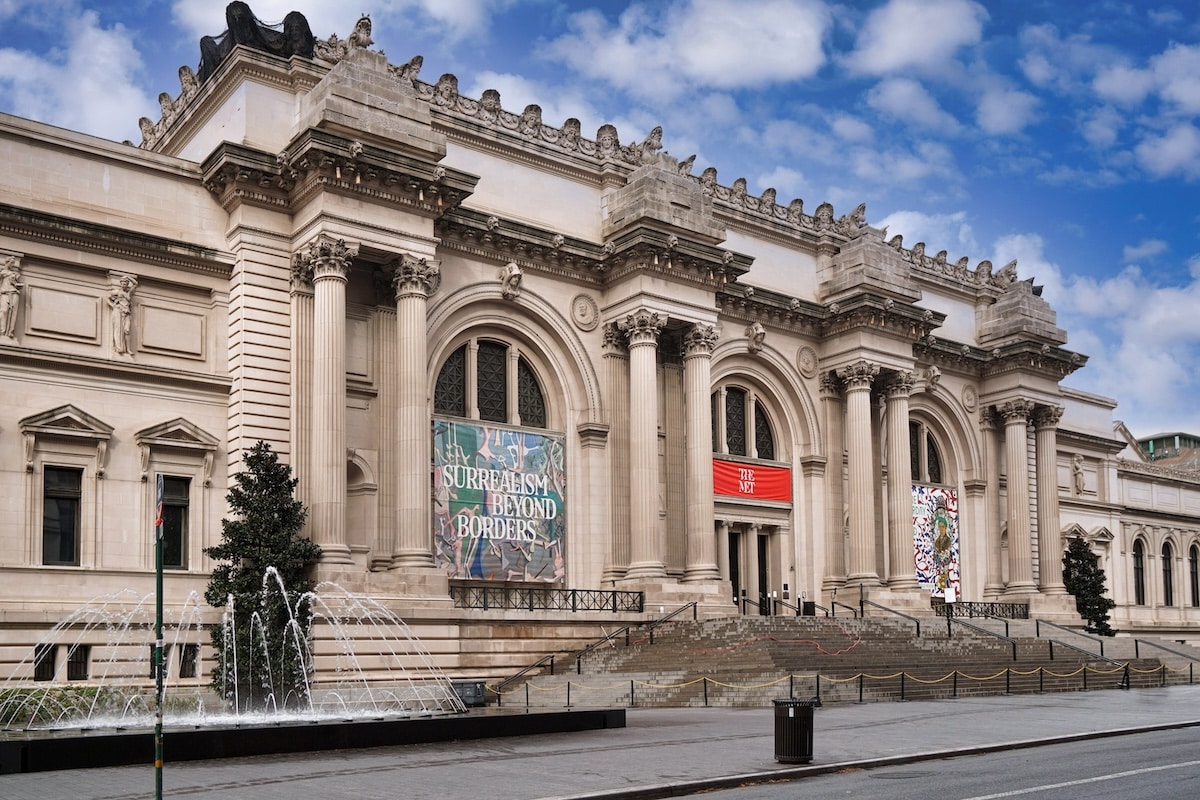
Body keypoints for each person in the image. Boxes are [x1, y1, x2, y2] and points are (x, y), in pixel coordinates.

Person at [107, 275, 137, 354]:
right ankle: (119, 348)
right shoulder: (116, 292)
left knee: (127, 330)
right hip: (119, 311)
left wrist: (128, 277)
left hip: (127, 313)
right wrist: (112, 305)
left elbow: (135, 283)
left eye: (126, 284)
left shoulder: (128, 292)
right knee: (118, 329)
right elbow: (107, 297)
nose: (124, 285)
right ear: (120, 284)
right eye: (123, 283)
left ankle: (128, 349)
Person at [0, 258, 22, 338]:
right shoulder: (2, 272)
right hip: (4, 293)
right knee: (4, 310)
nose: (13, 265)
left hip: (13, 292)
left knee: (12, 312)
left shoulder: (14, 274)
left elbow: (16, 283)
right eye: (11, 263)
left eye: (13, 263)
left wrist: (17, 284)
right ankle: (2, 331)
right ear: (7, 262)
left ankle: (10, 331)